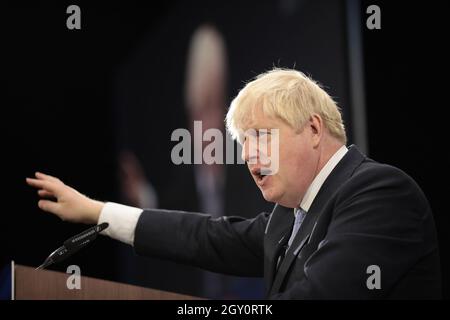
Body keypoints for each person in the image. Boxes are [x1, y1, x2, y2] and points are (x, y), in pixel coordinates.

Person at [26, 68, 442, 299]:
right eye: (243, 143)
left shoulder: (381, 193)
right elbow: (207, 237)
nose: (247, 155)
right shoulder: (287, 219)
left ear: (314, 128)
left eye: (261, 135)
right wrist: (98, 213)